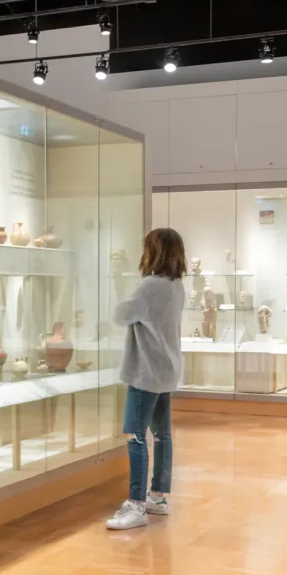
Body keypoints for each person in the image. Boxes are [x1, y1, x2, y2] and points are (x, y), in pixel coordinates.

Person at [105, 227, 187, 530]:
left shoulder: (150, 286)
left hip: (146, 371)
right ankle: (158, 496)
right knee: (162, 435)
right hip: (166, 369)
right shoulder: (176, 285)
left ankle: (136, 504)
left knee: (135, 435)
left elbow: (120, 314)